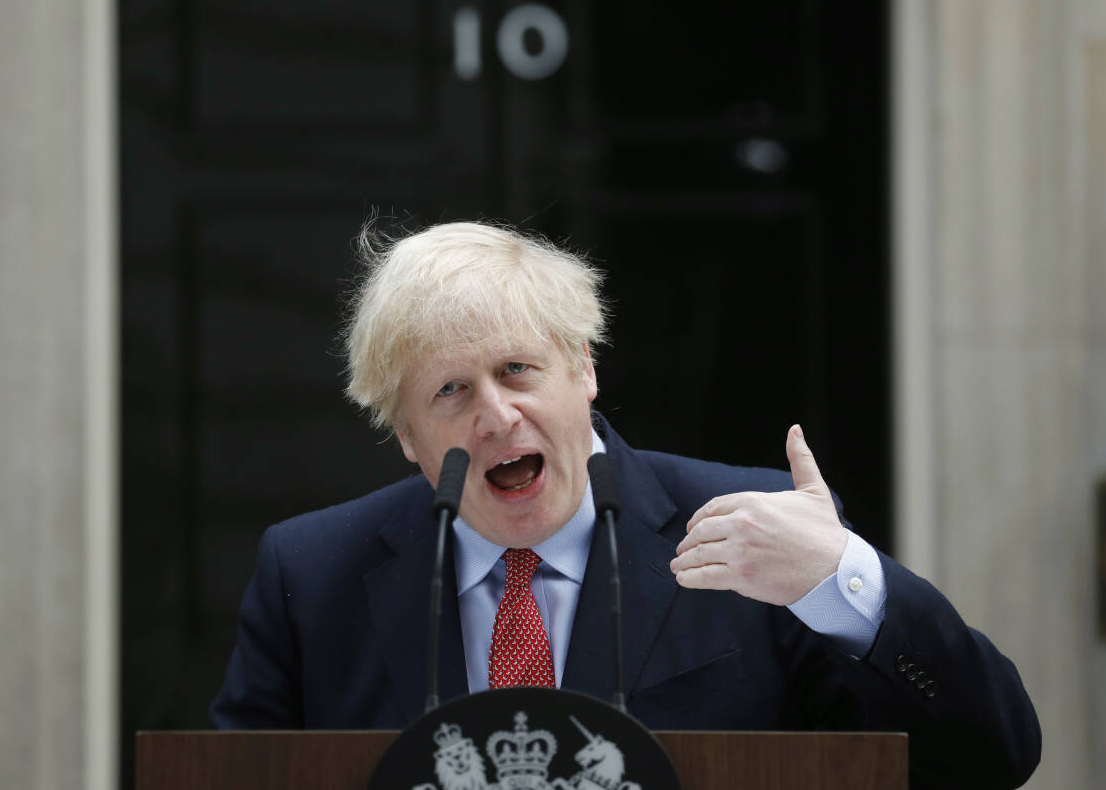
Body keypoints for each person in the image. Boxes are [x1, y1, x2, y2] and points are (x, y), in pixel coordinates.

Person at [210, 221, 1041, 789]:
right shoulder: (313, 572)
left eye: (519, 370)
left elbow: (990, 755)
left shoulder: (753, 529)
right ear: (407, 437)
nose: (497, 416)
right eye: (452, 390)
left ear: (584, 368)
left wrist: (842, 579)